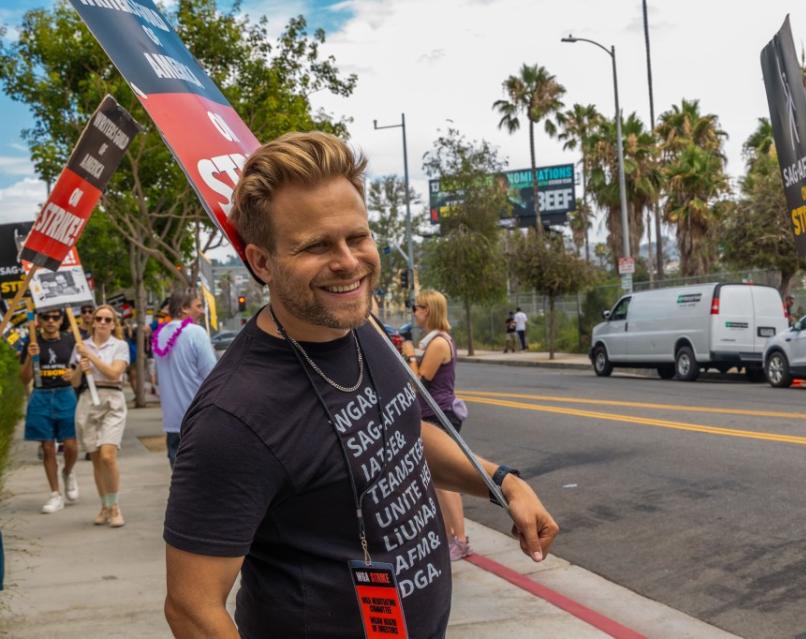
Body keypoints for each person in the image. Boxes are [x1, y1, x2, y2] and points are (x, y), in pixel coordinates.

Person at [163, 131, 558, 638]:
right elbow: (192, 608)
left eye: (357, 237)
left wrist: (504, 483)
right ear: (261, 262)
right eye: (316, 246)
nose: (349, 262)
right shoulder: (234, 416)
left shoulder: (362, 328)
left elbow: (403, 434)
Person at [401, 289, 471, 561]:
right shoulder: (432, 341)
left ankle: (461, 540)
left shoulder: (439, 343)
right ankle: (446, 536)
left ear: (427, 310)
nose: (414, 313)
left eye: (416, 308)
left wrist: (408, 355)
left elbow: (421, 378)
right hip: (430, 413)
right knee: (435, 479)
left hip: (439, 415)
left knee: (445, 481)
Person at [71, 304, 130, 528]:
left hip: (112, 400)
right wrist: (79, 367)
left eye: (108, 319)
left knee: (108, 455)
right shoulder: (80, 345)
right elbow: (75, 382)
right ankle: (104, 505)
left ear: (113, 324)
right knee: (95, 457)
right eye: (99, 318)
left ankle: (115, 506)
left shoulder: (120, 346)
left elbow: (115, 373)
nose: (103, 323)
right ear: (92, 322)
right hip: (88, 399)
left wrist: (91, 357)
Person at [19, 309, 79, 513]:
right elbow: (24, 378)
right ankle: (55, 494)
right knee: (47, 447)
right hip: (41, 394)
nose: (51, 321)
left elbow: (79, 370)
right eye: (46, 317)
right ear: (39, 321)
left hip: (65, 394)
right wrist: (29, 357)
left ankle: (68, 472)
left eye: (55, 317)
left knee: (71, 444)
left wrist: (74, 372)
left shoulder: (69, 340)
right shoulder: (32, 341)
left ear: (61, 320)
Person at [153, 288, 216, 467]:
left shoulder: (159, 335)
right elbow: (212, 376)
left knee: (179, 477)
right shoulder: (195, 332)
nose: (202, 310)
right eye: (198, 305)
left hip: (172, 420)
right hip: (197, 418)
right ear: (184, 309)